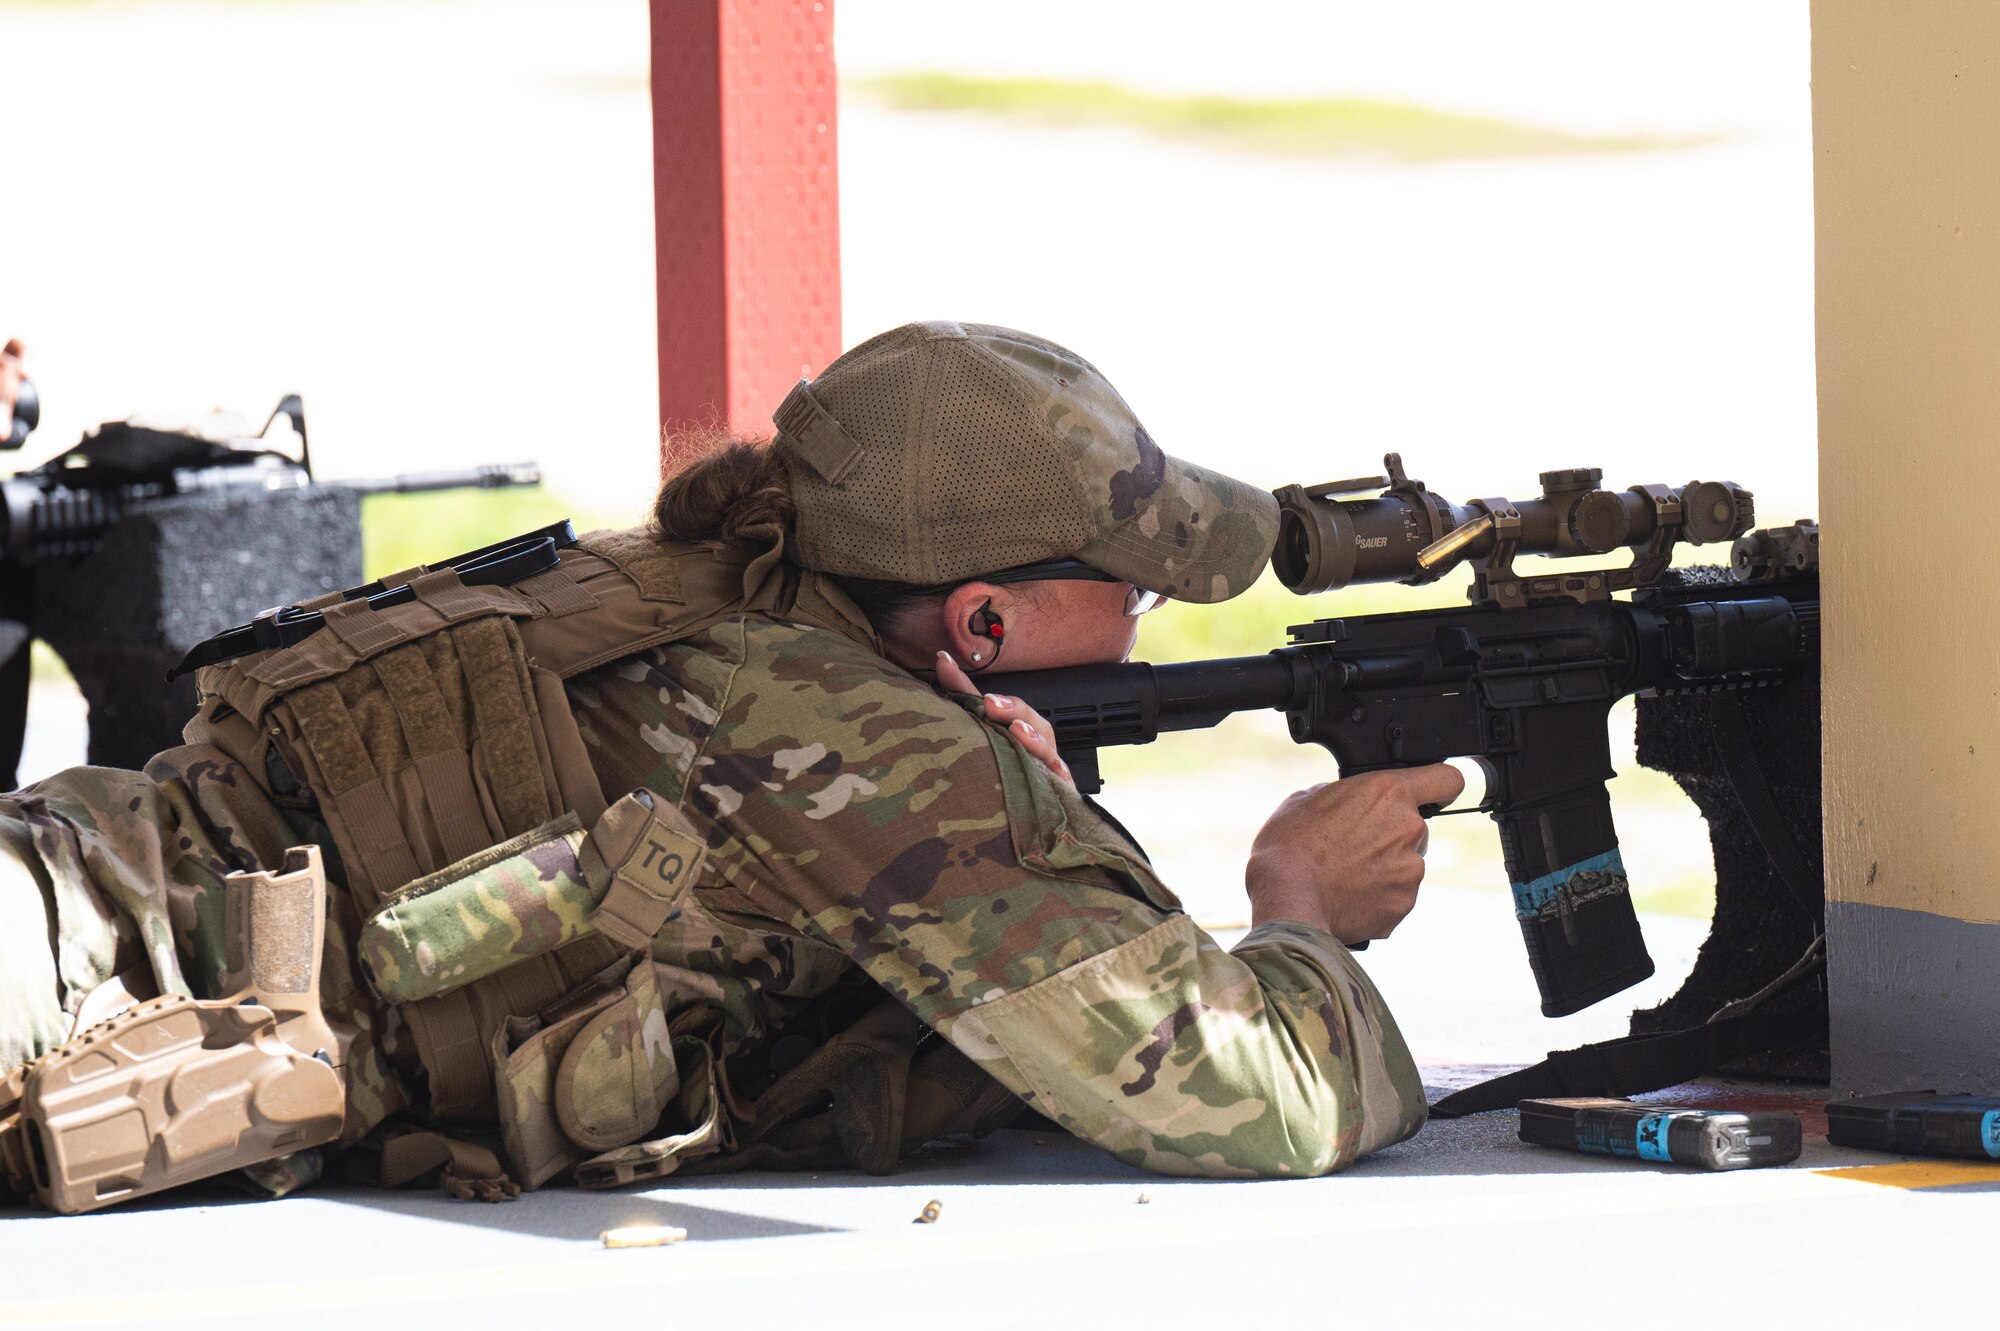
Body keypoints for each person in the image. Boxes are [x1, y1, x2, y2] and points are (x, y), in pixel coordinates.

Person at [0, 321, 1460, 1196]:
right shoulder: (878, 749)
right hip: (65, 981)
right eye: (1130, 593)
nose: (1143, 627)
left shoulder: (715, 589)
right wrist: (1297, 911)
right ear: (986, 615)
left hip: (74, 883)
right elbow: (1256, 1095)